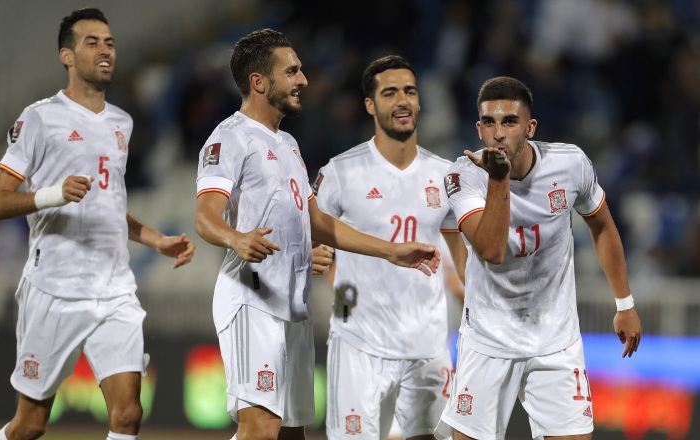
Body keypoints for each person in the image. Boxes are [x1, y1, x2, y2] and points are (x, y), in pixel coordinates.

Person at [194, 30, 441, 440]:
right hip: (252, 299)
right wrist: (237, 239)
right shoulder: (230, 138)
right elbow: (205, 217)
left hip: (292, 304)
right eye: (291, 71)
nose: (303, 80)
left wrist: (390, 251)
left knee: (292, 431)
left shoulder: (288, 144)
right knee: (262, 427)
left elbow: (319, 222)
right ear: (259, 82)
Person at [0, 8, 195, 440]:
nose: (105, 50)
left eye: (110, 43)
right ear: (67, 55)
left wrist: (156, 240)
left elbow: (109, 202)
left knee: (128, 415)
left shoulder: (122, 122)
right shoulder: (39, 118)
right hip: (55, 288)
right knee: (31, 424)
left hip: (114, 289)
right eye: (92, 42)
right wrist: (52, 194)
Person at [434, 76, 642, 440]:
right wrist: (499, 180)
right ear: (479, 128)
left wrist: (624, 303)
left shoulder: (570, 164)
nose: (499, 133)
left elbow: (603, 227)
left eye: (510, 122)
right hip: (488, 340)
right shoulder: (462, 176)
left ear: (529, 127)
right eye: (490, 122)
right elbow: (492, 250)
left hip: (555, 339)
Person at [311, 55, 466, 440]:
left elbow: (462, 257)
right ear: (370, 104)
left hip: (426, 343)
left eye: (410, 92)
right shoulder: (340, 172)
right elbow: (311, 235)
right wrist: (315, 257)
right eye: (390, 92)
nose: (403, 101)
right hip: (358, 342)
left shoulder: (446, 175)